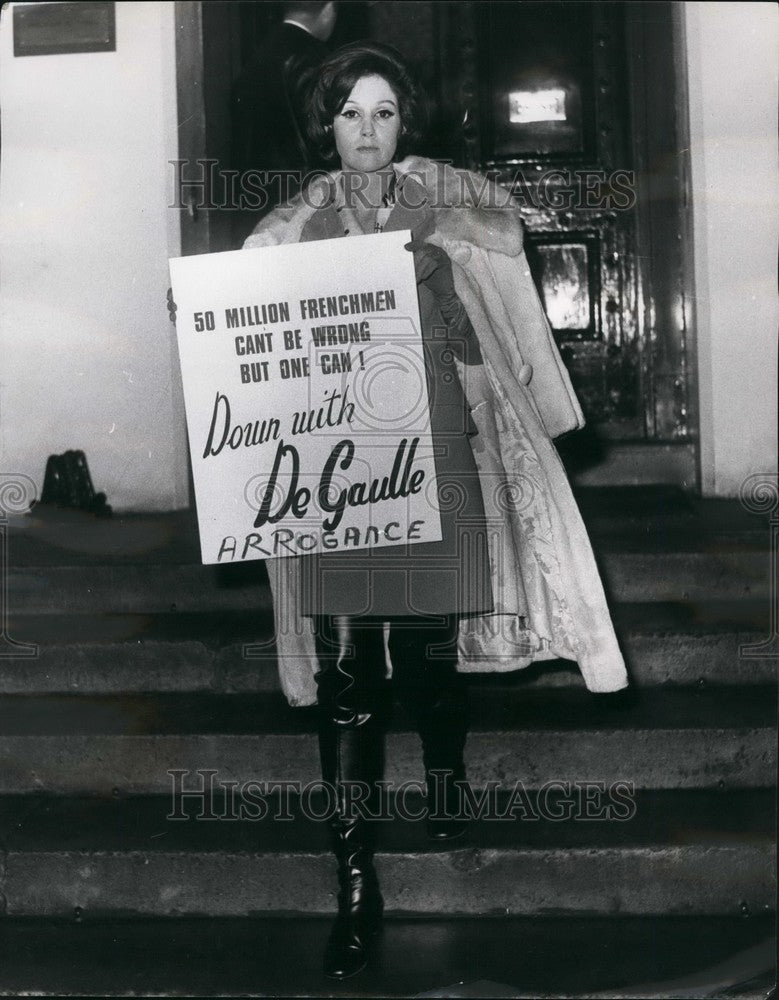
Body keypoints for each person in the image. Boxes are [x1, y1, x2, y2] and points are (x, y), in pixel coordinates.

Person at [242, 41, 630, 981]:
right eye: (348, 114)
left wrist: (434, 273)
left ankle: (445, 771)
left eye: (382, 112)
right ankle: (355, 890)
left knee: (422, 644)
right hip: (340, 464)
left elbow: (497, 297)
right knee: (346, 668)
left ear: (402, 121)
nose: (366, 131)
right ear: (323, 126)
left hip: (439, 440)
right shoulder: (290, 227)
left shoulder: (455, 201)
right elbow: (247, 328)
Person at [231, 1, 337, 242]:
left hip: (256, 200)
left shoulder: (258, 55)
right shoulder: (315, 60)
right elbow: (324, 141)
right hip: (305, 200)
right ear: (329, 9)